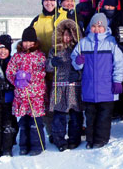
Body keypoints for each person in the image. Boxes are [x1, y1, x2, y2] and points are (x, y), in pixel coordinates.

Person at [71, 13, 123, 149]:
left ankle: (101, 139)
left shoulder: (111, 42)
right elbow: (75, 60)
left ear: (105, 28)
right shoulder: (83, 43)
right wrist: (78, 61)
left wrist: (117, 80)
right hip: (89, 88)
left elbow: (119, 63)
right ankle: (91, 139)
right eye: (94, 26)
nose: (97, 29)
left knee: (104, 116)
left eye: (100, 27)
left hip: (107, 88)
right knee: (90, 116)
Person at [6, 27, 46, 156]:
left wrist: (30, 78)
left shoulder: (40, 56)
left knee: (35, 122)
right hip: (22, 95)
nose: (28, 44)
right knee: (23, 122)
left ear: (35, 42)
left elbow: (42, 72)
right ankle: (24, 145)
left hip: (36, 95)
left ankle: (37, 145)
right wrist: (16, 80)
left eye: (31, 41)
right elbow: (10, 71)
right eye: (25, 41)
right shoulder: (17, 57)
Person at [46, 19, 83, 152]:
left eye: (69, 35)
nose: (66, 38)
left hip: (74, 87)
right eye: (64, 35)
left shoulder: (78, 48)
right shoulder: (54, 50)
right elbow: (48, 68)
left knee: (75, 115)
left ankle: (74, 139)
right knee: (59, 116)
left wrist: (79, 75)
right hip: (59, 87)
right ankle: (59, 140)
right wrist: (52, 63)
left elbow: (85, 67)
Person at [30, 0, 59, 143]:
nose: (49, 3)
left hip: (61, 67)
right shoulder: (37, 20)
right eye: (46, 0)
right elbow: (29, 42)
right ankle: (51, 132)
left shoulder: (64, 16)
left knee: (63, 100)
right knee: (48, 102)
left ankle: (66, 129)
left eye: (52, 0)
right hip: (43, 68)